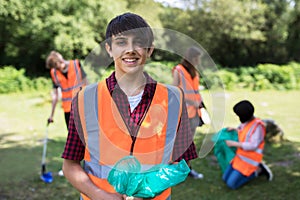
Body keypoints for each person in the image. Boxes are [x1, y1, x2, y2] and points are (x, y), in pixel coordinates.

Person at [62, 12, 198, 200]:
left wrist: (147, 190)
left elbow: (182, 162)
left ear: (149, 50)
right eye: (121, 42)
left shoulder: (174, 98)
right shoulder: (84, 99)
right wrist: (100, 195)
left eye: (139, 42)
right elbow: (70, 164)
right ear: (109, 49)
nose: (130, 49)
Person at [222, 100, 273, 190]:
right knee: (224, 179)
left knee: (231, 185)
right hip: (240, 158)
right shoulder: (246, 122)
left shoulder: (258, 127)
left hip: (250, 161)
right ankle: (253, 171)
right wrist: (234, 129)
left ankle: (258, 171)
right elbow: (244, 131)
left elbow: (253, 145)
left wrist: (234, 144)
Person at [172, 46, 204, 179]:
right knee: (181, 143)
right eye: (197, 58)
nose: (199, 61)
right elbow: (174, 91)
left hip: (195, 113)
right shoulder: (178, 70)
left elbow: (195, 91)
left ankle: (186, 169)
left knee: (189, 144)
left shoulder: (194, 72)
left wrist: (201, 103)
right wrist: (191, 102)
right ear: (192, 57)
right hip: (183, 113)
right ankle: (180, 169)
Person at [46, 51, 88, 129]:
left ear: (60, 61)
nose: (58, 69)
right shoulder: (54, 73)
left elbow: (87, 84)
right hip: (68, 110)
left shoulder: (76, 64)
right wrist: (51, 115)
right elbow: (55, 95)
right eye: (55, 68)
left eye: (57, 66)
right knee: (72, 138)